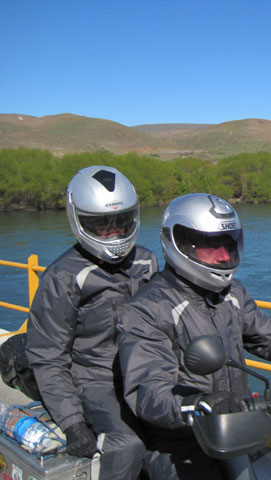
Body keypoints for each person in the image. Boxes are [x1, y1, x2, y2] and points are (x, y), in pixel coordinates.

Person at [117, 193, 271, 479]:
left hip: (239, 426)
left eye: (228, 244)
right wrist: (197, 404)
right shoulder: (148, 309)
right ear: (179, 243)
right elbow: (148, 390)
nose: (222, 256)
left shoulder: (231, 294)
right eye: (209, 246)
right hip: (184, 440)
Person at [25, 165, 158, 479]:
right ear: (79, 220)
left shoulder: (145, 261)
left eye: (121, 222)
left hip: (143, 372)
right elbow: (47, 356)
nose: (114, 233)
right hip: (93, 379)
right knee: (126, 445)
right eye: (102, 226)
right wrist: (72, 423)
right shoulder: (64, 277)